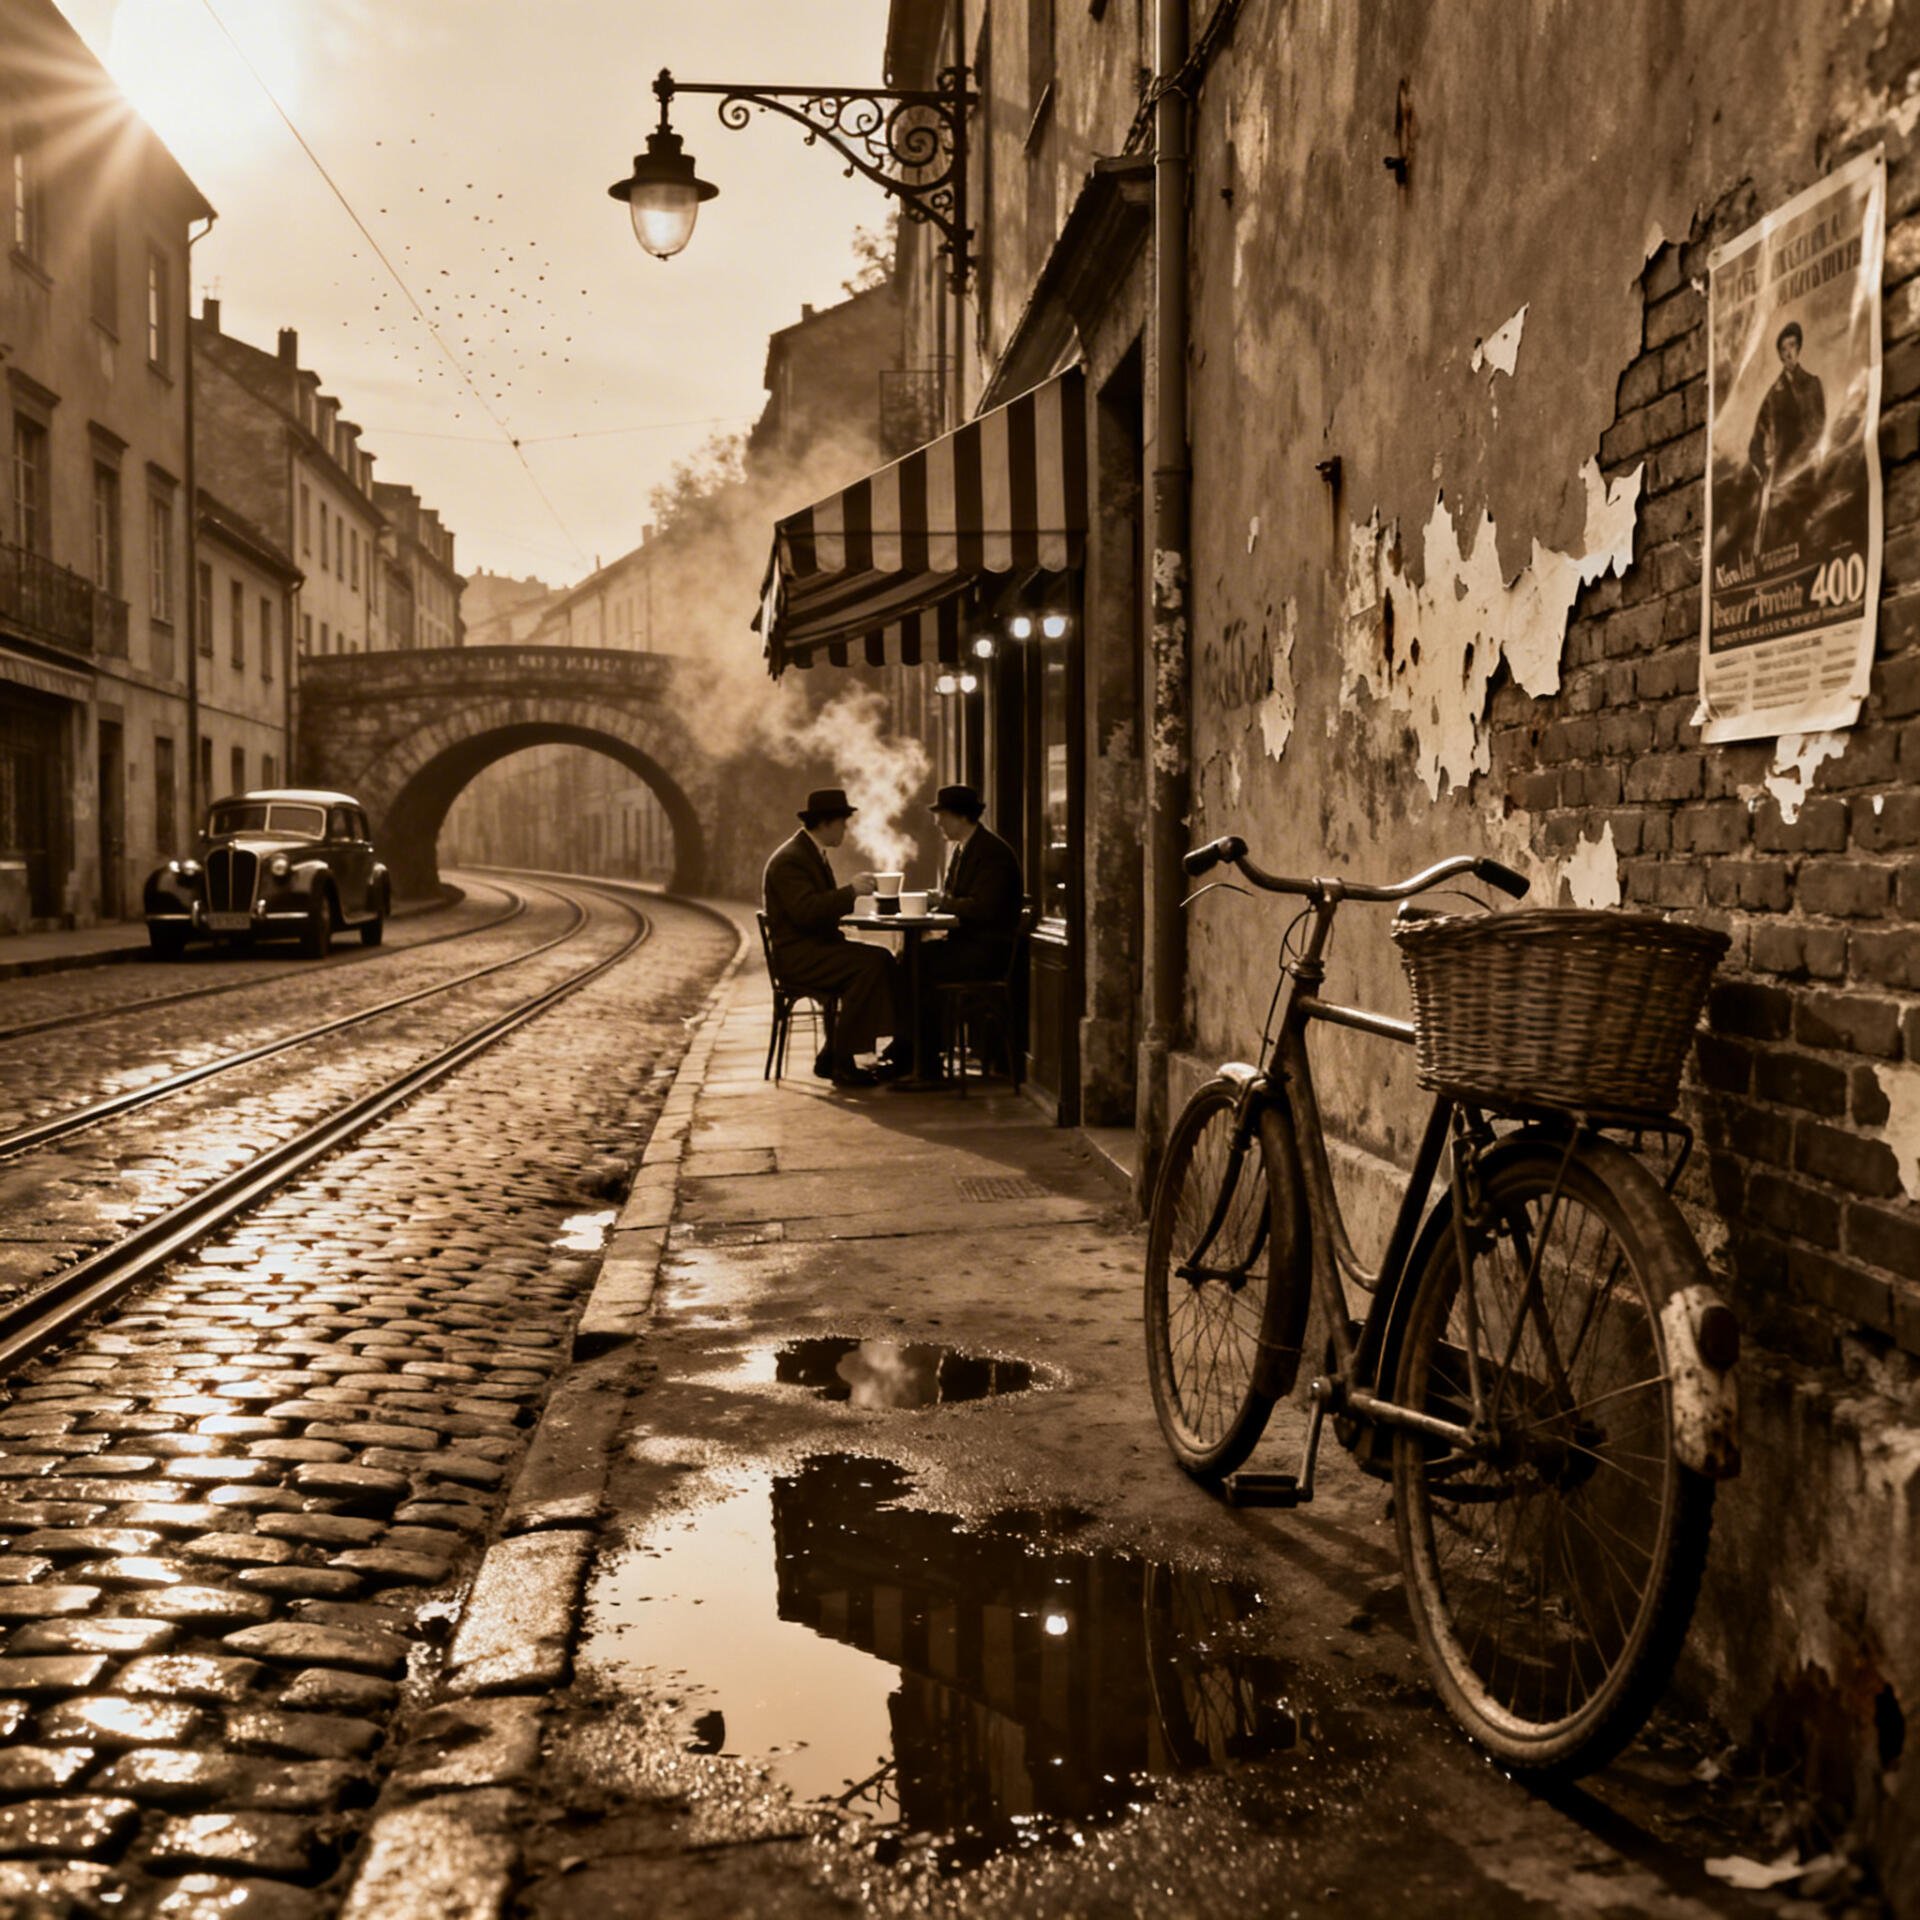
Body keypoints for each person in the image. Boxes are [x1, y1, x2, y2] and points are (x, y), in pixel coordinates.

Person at [762, 787, 905, 1089]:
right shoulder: (792, 859)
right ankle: (840, 1059)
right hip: (799, 957)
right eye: (843, 822)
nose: (846, 829)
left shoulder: (807, 852)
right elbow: (806, 911)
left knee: (881, 961)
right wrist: (850, 892)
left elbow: (815, 908)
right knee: (870, 965)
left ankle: (871, 1049)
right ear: (826, 823)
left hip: (812, 949)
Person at [919, 783, 1025, 1075]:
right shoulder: (963, 849)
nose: (938, 822)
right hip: (968, 945)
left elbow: (984, 909)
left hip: (987, 951)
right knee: (911, 959)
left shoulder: (991, 853)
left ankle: (924, 1059)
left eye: (941, 815)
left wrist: (943, 901)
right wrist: (940, 902)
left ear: (959, 816)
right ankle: (916, 1052)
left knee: (920, 965)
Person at [1748, 319, 1826, 560]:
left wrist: (1804, 459)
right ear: (1780, 355)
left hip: (1808, 472)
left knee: (1814, 535)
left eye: (1792, 345)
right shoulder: (1773, 395)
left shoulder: (1813, 385)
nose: (1789, 352)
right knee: (1781, 543)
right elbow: (1755, 444)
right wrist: (1765, 468)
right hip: (1781, 479)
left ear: (1799, 347)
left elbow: (1818, 428)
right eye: (1784, 349)